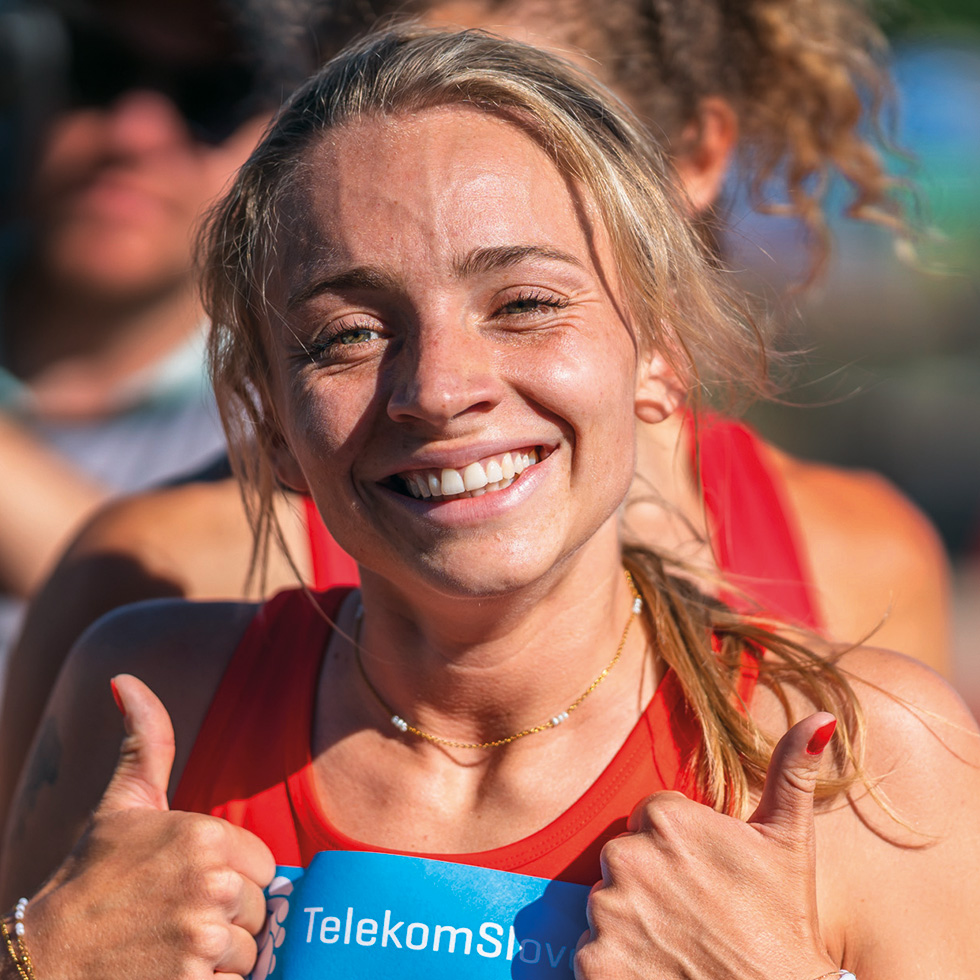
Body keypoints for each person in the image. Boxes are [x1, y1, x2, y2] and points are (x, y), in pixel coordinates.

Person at [2, 26, 977, 979]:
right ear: (267, 420)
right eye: (346, 332)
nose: (438, 387)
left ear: (657, 348)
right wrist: (42, 959)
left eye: (522, 303)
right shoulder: (145, 705)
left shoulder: (867, 756)